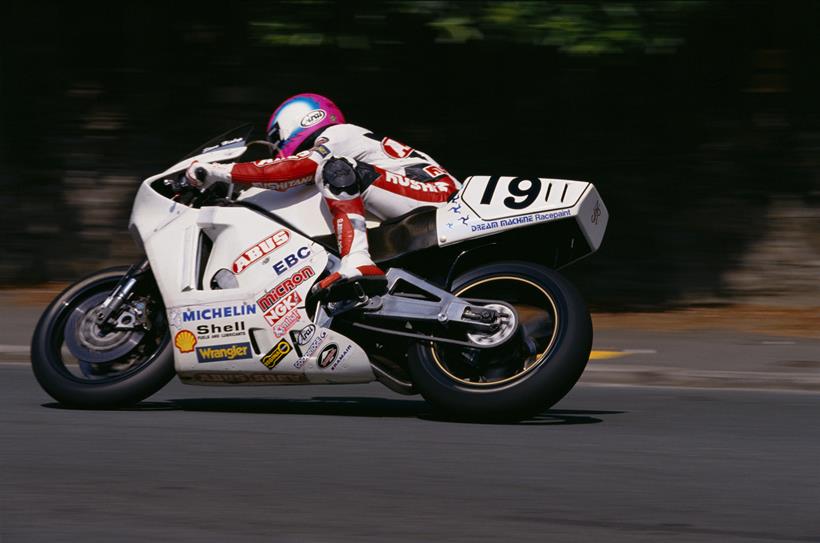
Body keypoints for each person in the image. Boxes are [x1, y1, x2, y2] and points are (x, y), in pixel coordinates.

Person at [186, 93, 459, 294]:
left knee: (336, 168)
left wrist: (218, 171)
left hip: (435, 193)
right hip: (418, 197)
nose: (276, 149)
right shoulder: (344, 142)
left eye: (275, 139)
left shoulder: (340, 134)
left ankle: (358, 260)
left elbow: (296, 168)